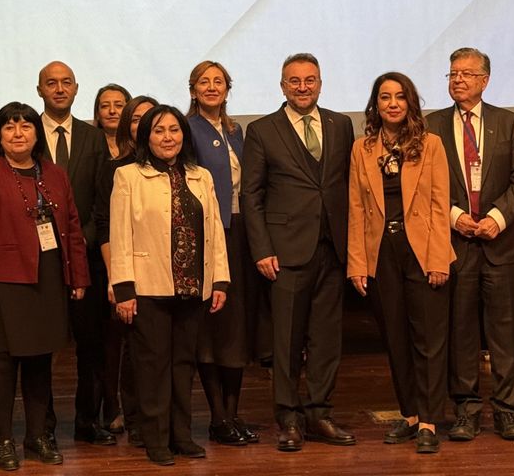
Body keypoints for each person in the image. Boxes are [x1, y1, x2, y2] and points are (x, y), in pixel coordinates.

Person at [0, 102, 90, 471]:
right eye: (10, 127)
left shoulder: (55, 173)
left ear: (37, 133)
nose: (18, 133)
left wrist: (78, 277)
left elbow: (73, 227)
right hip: (0, 284)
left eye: (26, 126)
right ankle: (3, 439)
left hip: (47, 279)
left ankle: (36, 436)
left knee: (39, 364)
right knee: (0, 365)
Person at [242, 53, 356, 452]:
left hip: (333, 248)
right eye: (295, 81)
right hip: (285, 252)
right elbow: (251, 195)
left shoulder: (341, 125)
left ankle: (319, 413)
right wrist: (261, 249)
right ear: (282, 86)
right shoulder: (261, 130)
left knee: (326, 339)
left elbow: (348, 186)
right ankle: (288, 418)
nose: (302, 87)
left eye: (310, 80)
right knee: (287, 342)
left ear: (320, 84)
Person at [110, 105, 230, 466]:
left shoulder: (200, 176)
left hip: (192, 286)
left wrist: (220, 279)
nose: (168, 137)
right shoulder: (128, 176)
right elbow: (120, 235)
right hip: (148, 287)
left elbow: (215, 231)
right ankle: (156, 438)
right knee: (153, 367)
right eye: (159, 131)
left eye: (174, 130)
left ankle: (181, 435)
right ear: (146, 137)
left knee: (183, 364)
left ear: (184, 135)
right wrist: (124, 289)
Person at [424, 48, 514, 442]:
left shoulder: (508, 121)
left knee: (504, 333)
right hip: (455, 242)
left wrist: (496, 219)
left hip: (501, 243)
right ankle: (466, 410)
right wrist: (455, 216)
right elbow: (426, 183)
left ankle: (507, 410)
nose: (458, 80)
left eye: (467, 74)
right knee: (461, 331)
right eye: (453, 74)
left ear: (485, 80)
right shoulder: (432, 125)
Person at [347, 72, 453, 454]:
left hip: (422, 250)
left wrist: (438, 258)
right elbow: (356, 209)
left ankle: (429, 419)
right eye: (385, 97)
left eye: (399, 97)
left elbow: (440, 206)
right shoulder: (362, 149)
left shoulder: (431, 145)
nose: (392, 104)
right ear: (375, 105)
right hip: (381, 252)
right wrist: (357, 263)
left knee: (428, 339)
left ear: (410, 103)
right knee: (395, 338)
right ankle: (409, 414)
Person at [36, 61, 114, 446]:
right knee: (41, 348)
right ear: (40, 90)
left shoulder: (93, 138)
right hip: (38, 260)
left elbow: (101, 201)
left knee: (91, 346)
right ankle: (43, 426)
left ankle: (88, 421)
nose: (59, 89)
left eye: (66, 82)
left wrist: (81, 241)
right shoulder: (25, 133)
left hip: (87, 257)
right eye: (51, 83)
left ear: (77, 88)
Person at [185, 61, 258, 446]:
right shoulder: (186, 129)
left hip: (241, 232)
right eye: (204, 82)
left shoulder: (236, 130)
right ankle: (217, 416)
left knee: (236, 328)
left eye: (219, 81)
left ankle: (232, 413)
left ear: (227, 89)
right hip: (209, 236)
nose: (212, 87)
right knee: (213, 327)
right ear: (193, 89)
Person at [94, 96, 158, 447]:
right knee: (132, 351)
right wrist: (116, 278)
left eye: (151, 118)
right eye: (135, 120)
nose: (144, 125)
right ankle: (136, 422)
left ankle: (161, 420)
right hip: (130, 272)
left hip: (166, 274)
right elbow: (106, 227)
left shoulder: (177, 165)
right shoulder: (117, 169)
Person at [93, 85, 131, 159]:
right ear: (97, 114)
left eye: (119, 105)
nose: (112, 111)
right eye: (105, 106)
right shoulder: (87, 145)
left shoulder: (139, 146)